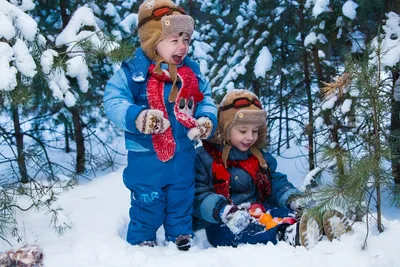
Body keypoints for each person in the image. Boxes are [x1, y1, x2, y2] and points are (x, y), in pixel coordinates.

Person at [103, 0, 217, 251]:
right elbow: (112, 100)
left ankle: (180, 234)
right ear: (153, 40)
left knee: (181, 195)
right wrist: (137, 116)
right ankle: (142, 240)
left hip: (183, 152)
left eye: (186, 39)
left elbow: (205, 98)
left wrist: (207, 119)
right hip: (147, 156)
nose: (183, 46)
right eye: (174, 40)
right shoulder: (134, 72)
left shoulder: (191, 72)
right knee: (148, 200)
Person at [193, 89, 352, 248]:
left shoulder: (260, 159)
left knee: (284, 214)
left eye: (255, 131)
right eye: (243, 131)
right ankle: (287, 234)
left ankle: (320, 225)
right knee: (245, 231)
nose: (250, 137)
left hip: (260, 210)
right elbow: (199, 195)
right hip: (224, 222)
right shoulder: (205, 158)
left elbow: (275, 184)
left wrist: (291, 198)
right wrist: (223, 210)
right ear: (225, 129)